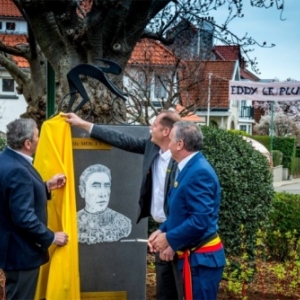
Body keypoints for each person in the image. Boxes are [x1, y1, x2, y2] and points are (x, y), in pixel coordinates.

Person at [62, 110, 183, 300]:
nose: (150, 128)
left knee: (182, 292)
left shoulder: (182, 161)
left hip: (177, 234)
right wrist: (83, 124)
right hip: (161, 231)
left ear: (166, 131)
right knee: (164, 292)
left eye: (154, 125)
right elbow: (121, 140)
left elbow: (189, 208)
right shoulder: (152, 148)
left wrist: (173, 241)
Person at [149, 121, 226, 300]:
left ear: (180, 144)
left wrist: (169, 238)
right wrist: (163, 229)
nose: (167, 142)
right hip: (192, 257)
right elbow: (182, 212)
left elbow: (200, 220)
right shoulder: (187, 167)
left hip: (201, 262)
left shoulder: (199, 172)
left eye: (171, 139)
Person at [0, 118, 69, 300]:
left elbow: (9, 198)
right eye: (37, 136)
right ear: (27, 143)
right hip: (21, 254)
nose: (39, 139)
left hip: (11, 250)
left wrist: (46, 186)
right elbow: (24, 217)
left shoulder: (5, 159)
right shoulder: (18, 170)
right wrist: (52, 236)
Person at [77, 163, 132, 244]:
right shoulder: (72, 222)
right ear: (82, 191)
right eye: (95, 186)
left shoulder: (123, 223)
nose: (103, 194)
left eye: (106, 186)